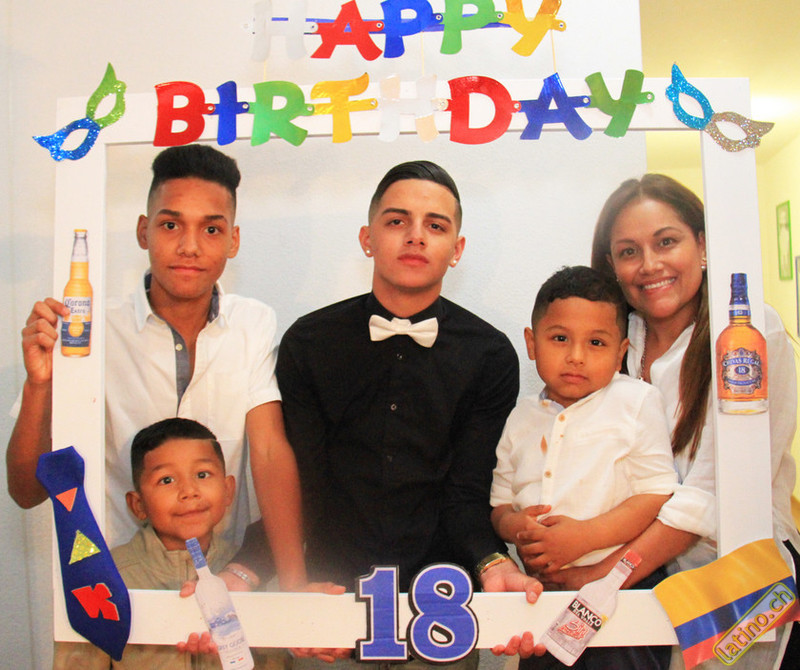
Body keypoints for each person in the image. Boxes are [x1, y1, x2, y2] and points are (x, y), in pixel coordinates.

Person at [232, 160, 544, 665]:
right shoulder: (308, 342)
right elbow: (300, 481)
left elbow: (467, 490)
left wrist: (492, 562)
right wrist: (251, 568)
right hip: (329, 609)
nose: (416, 236)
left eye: (435, 225)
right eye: (398, 221)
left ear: (457, 249)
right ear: (367, 238)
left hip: (442, 613)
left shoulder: (490, 355)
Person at [521, 174, 800, 669]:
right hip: (633, 580)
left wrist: (605, 573)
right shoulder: (610, 338)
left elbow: (711, 493)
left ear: (703, 245)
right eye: (628, 251)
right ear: (611, 265)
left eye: (666, 242)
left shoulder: (748, 332)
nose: (649, 265)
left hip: (732, 583)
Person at [7, 144, 307, 591]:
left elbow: (267, 452)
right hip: (113, 592)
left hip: (225, 583)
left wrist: (294, 584)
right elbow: (27, 491)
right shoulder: (90, 330)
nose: (189, 246)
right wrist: (39, 385)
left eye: (211, 229)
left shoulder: (252, 322)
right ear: (143, 231)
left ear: (233, 241)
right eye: (171, 225)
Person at [491, 265, 677, 670]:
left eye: (596, 342)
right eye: (560, 338)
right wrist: (516, 527)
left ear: (620, 352)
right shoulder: (520, 418)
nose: (576, 356)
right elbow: (500, 504)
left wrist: (584, 537)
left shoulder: (636, 402)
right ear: (532, 343)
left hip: (625, 593)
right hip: (544, 598)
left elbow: (657, 494)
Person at [53, 417, 284, 669]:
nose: (189, 491)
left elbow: (274, 660)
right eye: (167, 480)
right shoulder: (108, 577)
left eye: (202, 474)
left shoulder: (245, 574)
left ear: (228, 490)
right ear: (138, 505)